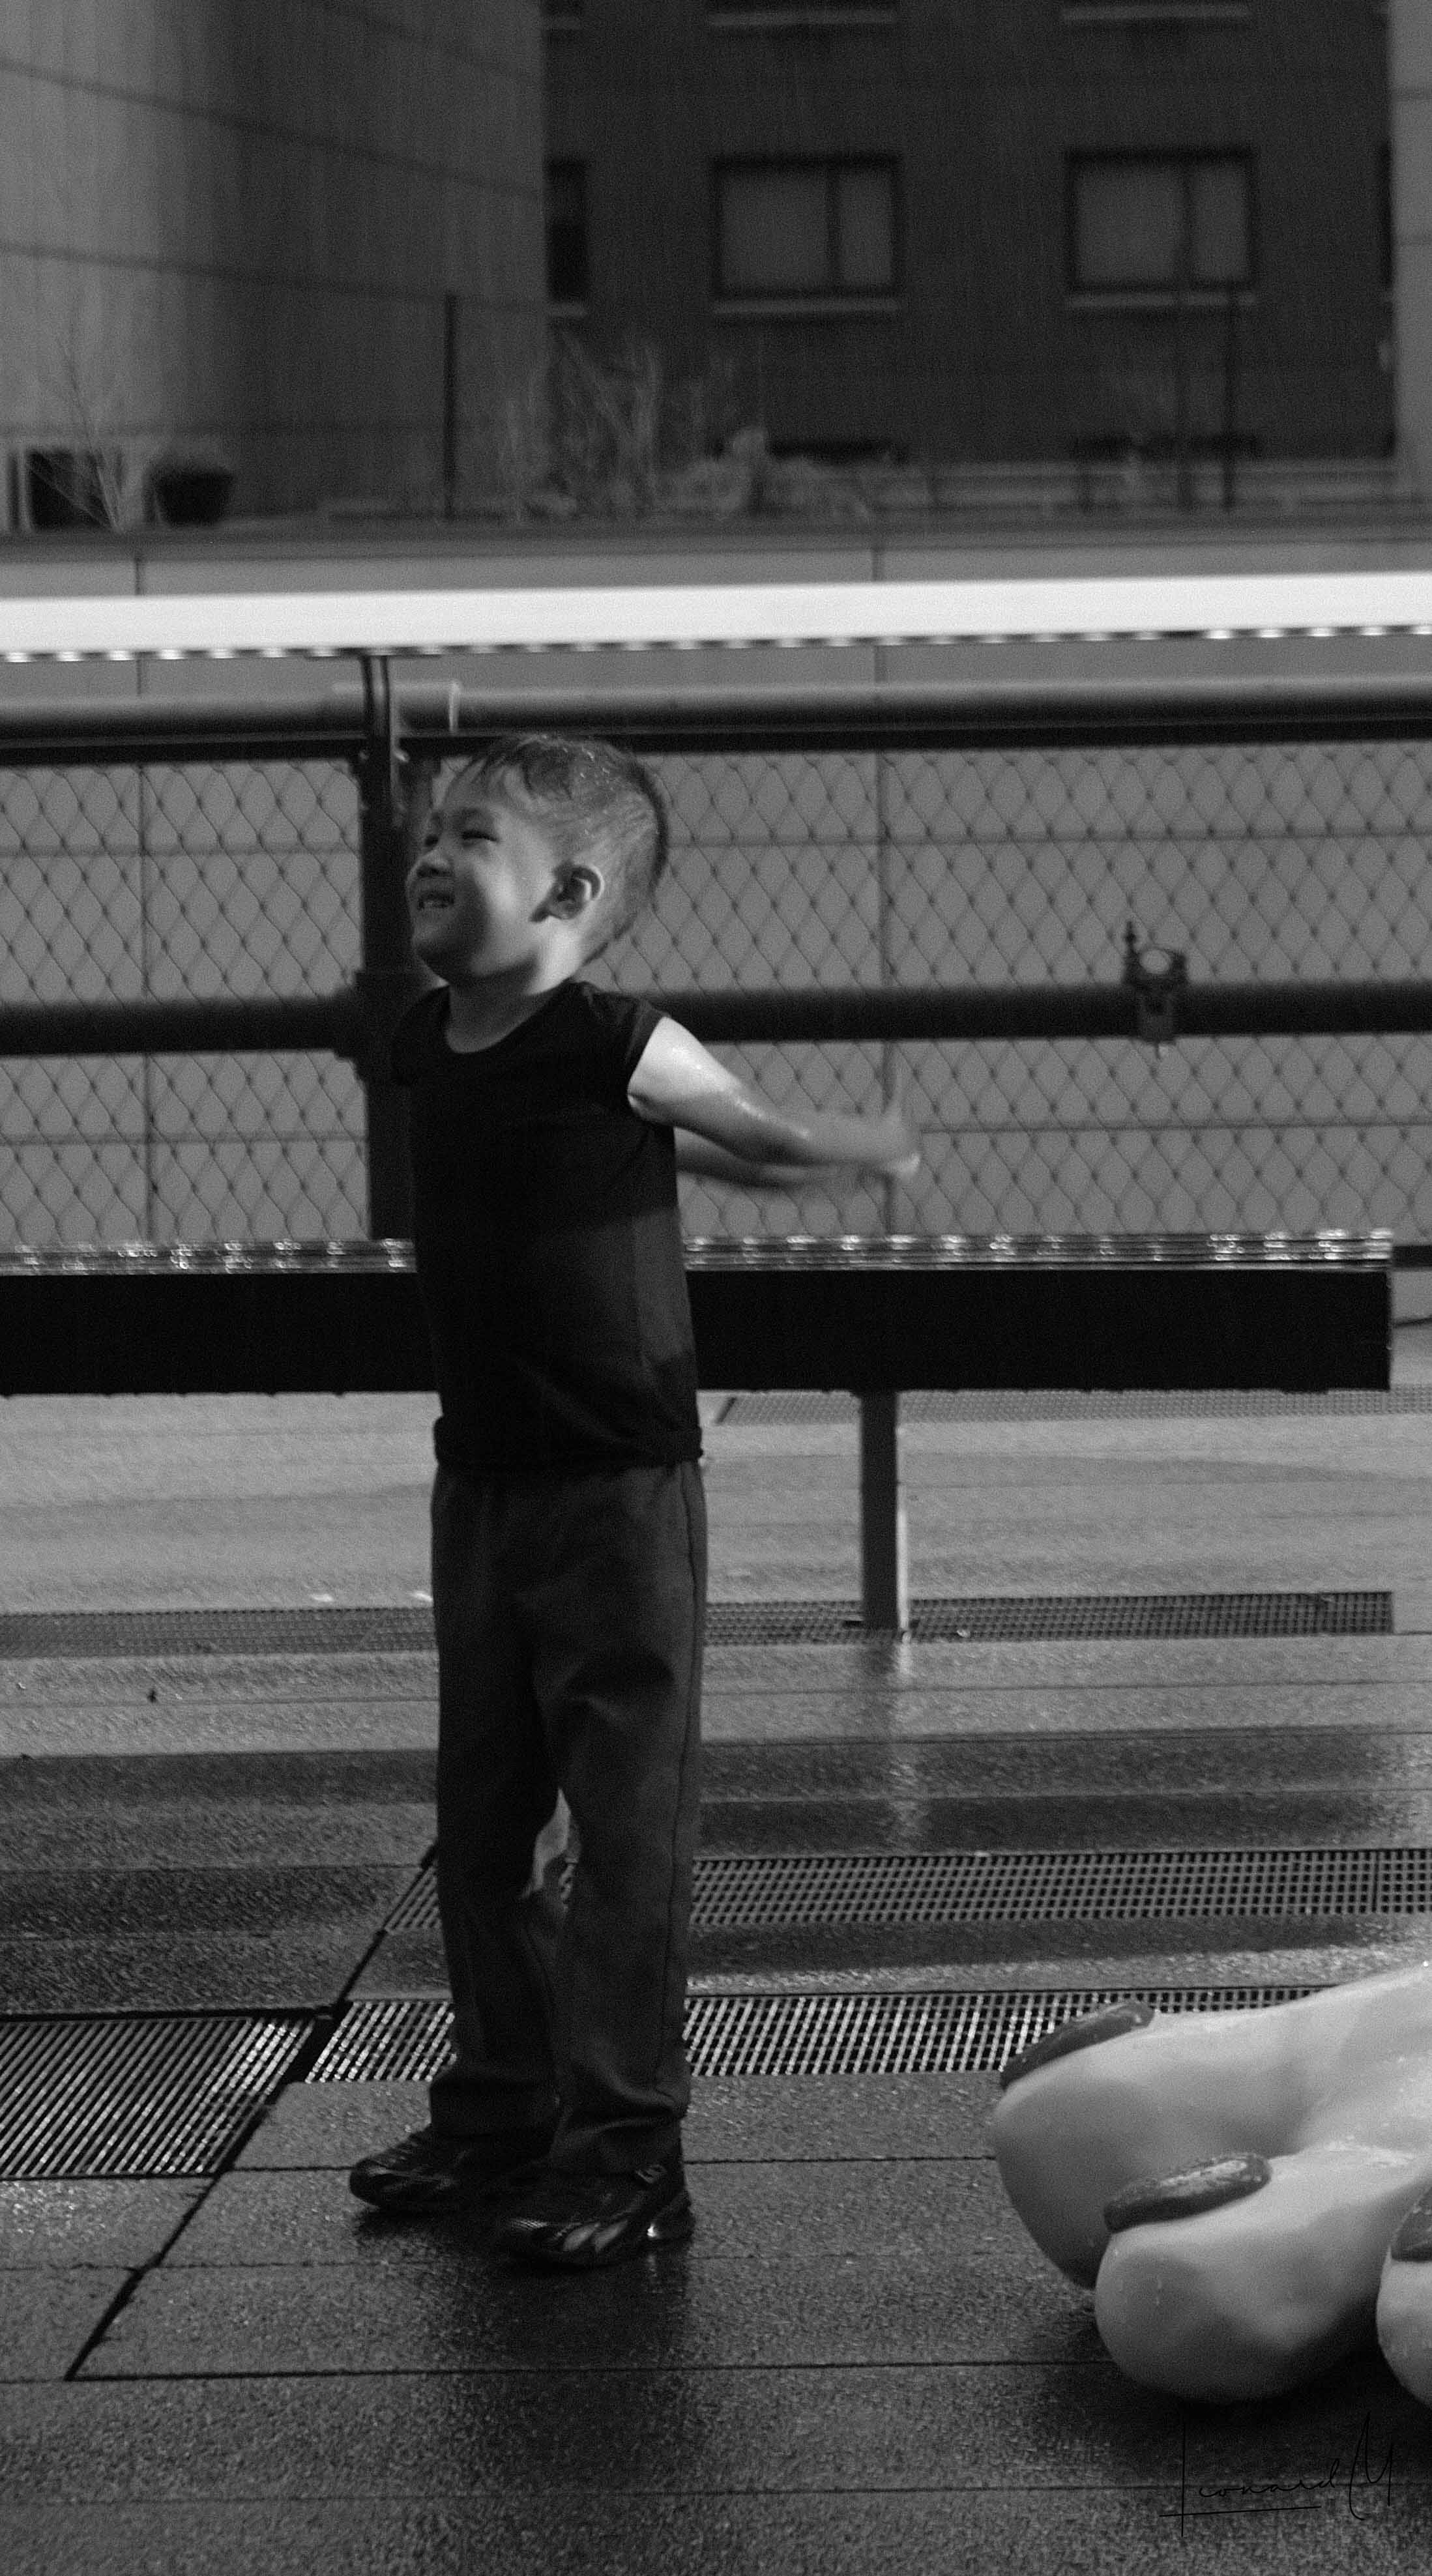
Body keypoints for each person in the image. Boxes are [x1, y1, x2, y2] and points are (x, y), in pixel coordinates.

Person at [349, 732, 919, 2268]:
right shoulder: (422, 1036)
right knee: (482, 1821)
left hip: (615, 1484)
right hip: (483, 1478)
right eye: (424, 832)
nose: (424, 854)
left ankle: (624, 2147)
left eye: (469, 837)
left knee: (622, 1829)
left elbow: (743, 1133)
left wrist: (853, 1151)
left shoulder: (614, 1037)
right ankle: (499, 2108)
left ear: (572, 892)